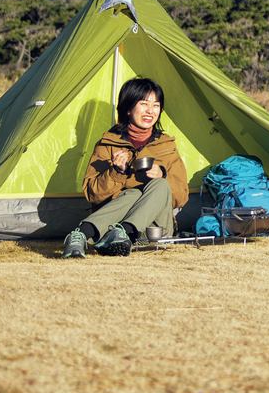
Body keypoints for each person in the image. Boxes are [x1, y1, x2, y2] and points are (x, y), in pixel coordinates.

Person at [62, 77, 189, 258]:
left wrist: (163, 175)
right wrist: (116, 173)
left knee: (160, 185)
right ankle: (89, 236)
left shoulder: (167, 146)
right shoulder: (107, 144)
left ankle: (88, 232)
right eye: (144, 104)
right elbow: (92, 194)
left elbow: (181, 198)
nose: (150, 111)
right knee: (134, 193)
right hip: (112, 223)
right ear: (128, 108)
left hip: (155, 227)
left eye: (156, 105)